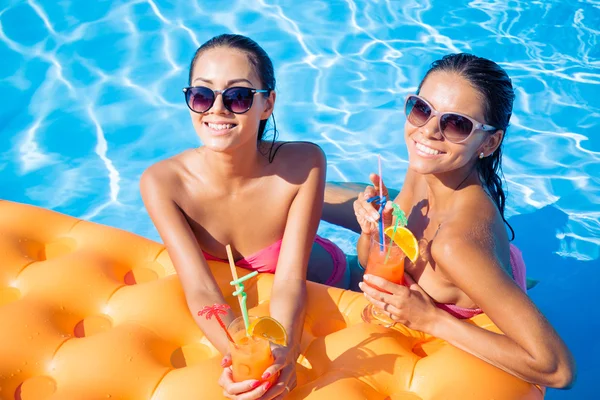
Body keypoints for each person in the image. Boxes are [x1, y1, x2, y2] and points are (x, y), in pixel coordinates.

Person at [323, 53, 576, 389]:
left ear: (489, 142)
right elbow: (374, 263)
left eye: (456, 123)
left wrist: (431, 319)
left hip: (467, 279)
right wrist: (375, 232)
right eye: (421, 109)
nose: (427, 131)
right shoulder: (424, 168)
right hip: (470, 267)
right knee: (303, 196)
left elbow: (559, 369)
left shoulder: (455, 246)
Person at [140, 33, 347, 399]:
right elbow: (201, 289)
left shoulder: (306, 162)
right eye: (202, 95)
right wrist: (240, 356)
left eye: (237, 96)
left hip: (328, 276)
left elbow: (288, 281)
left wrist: (286, 351)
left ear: (266, 104)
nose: (216, 109)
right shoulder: (162, 183)